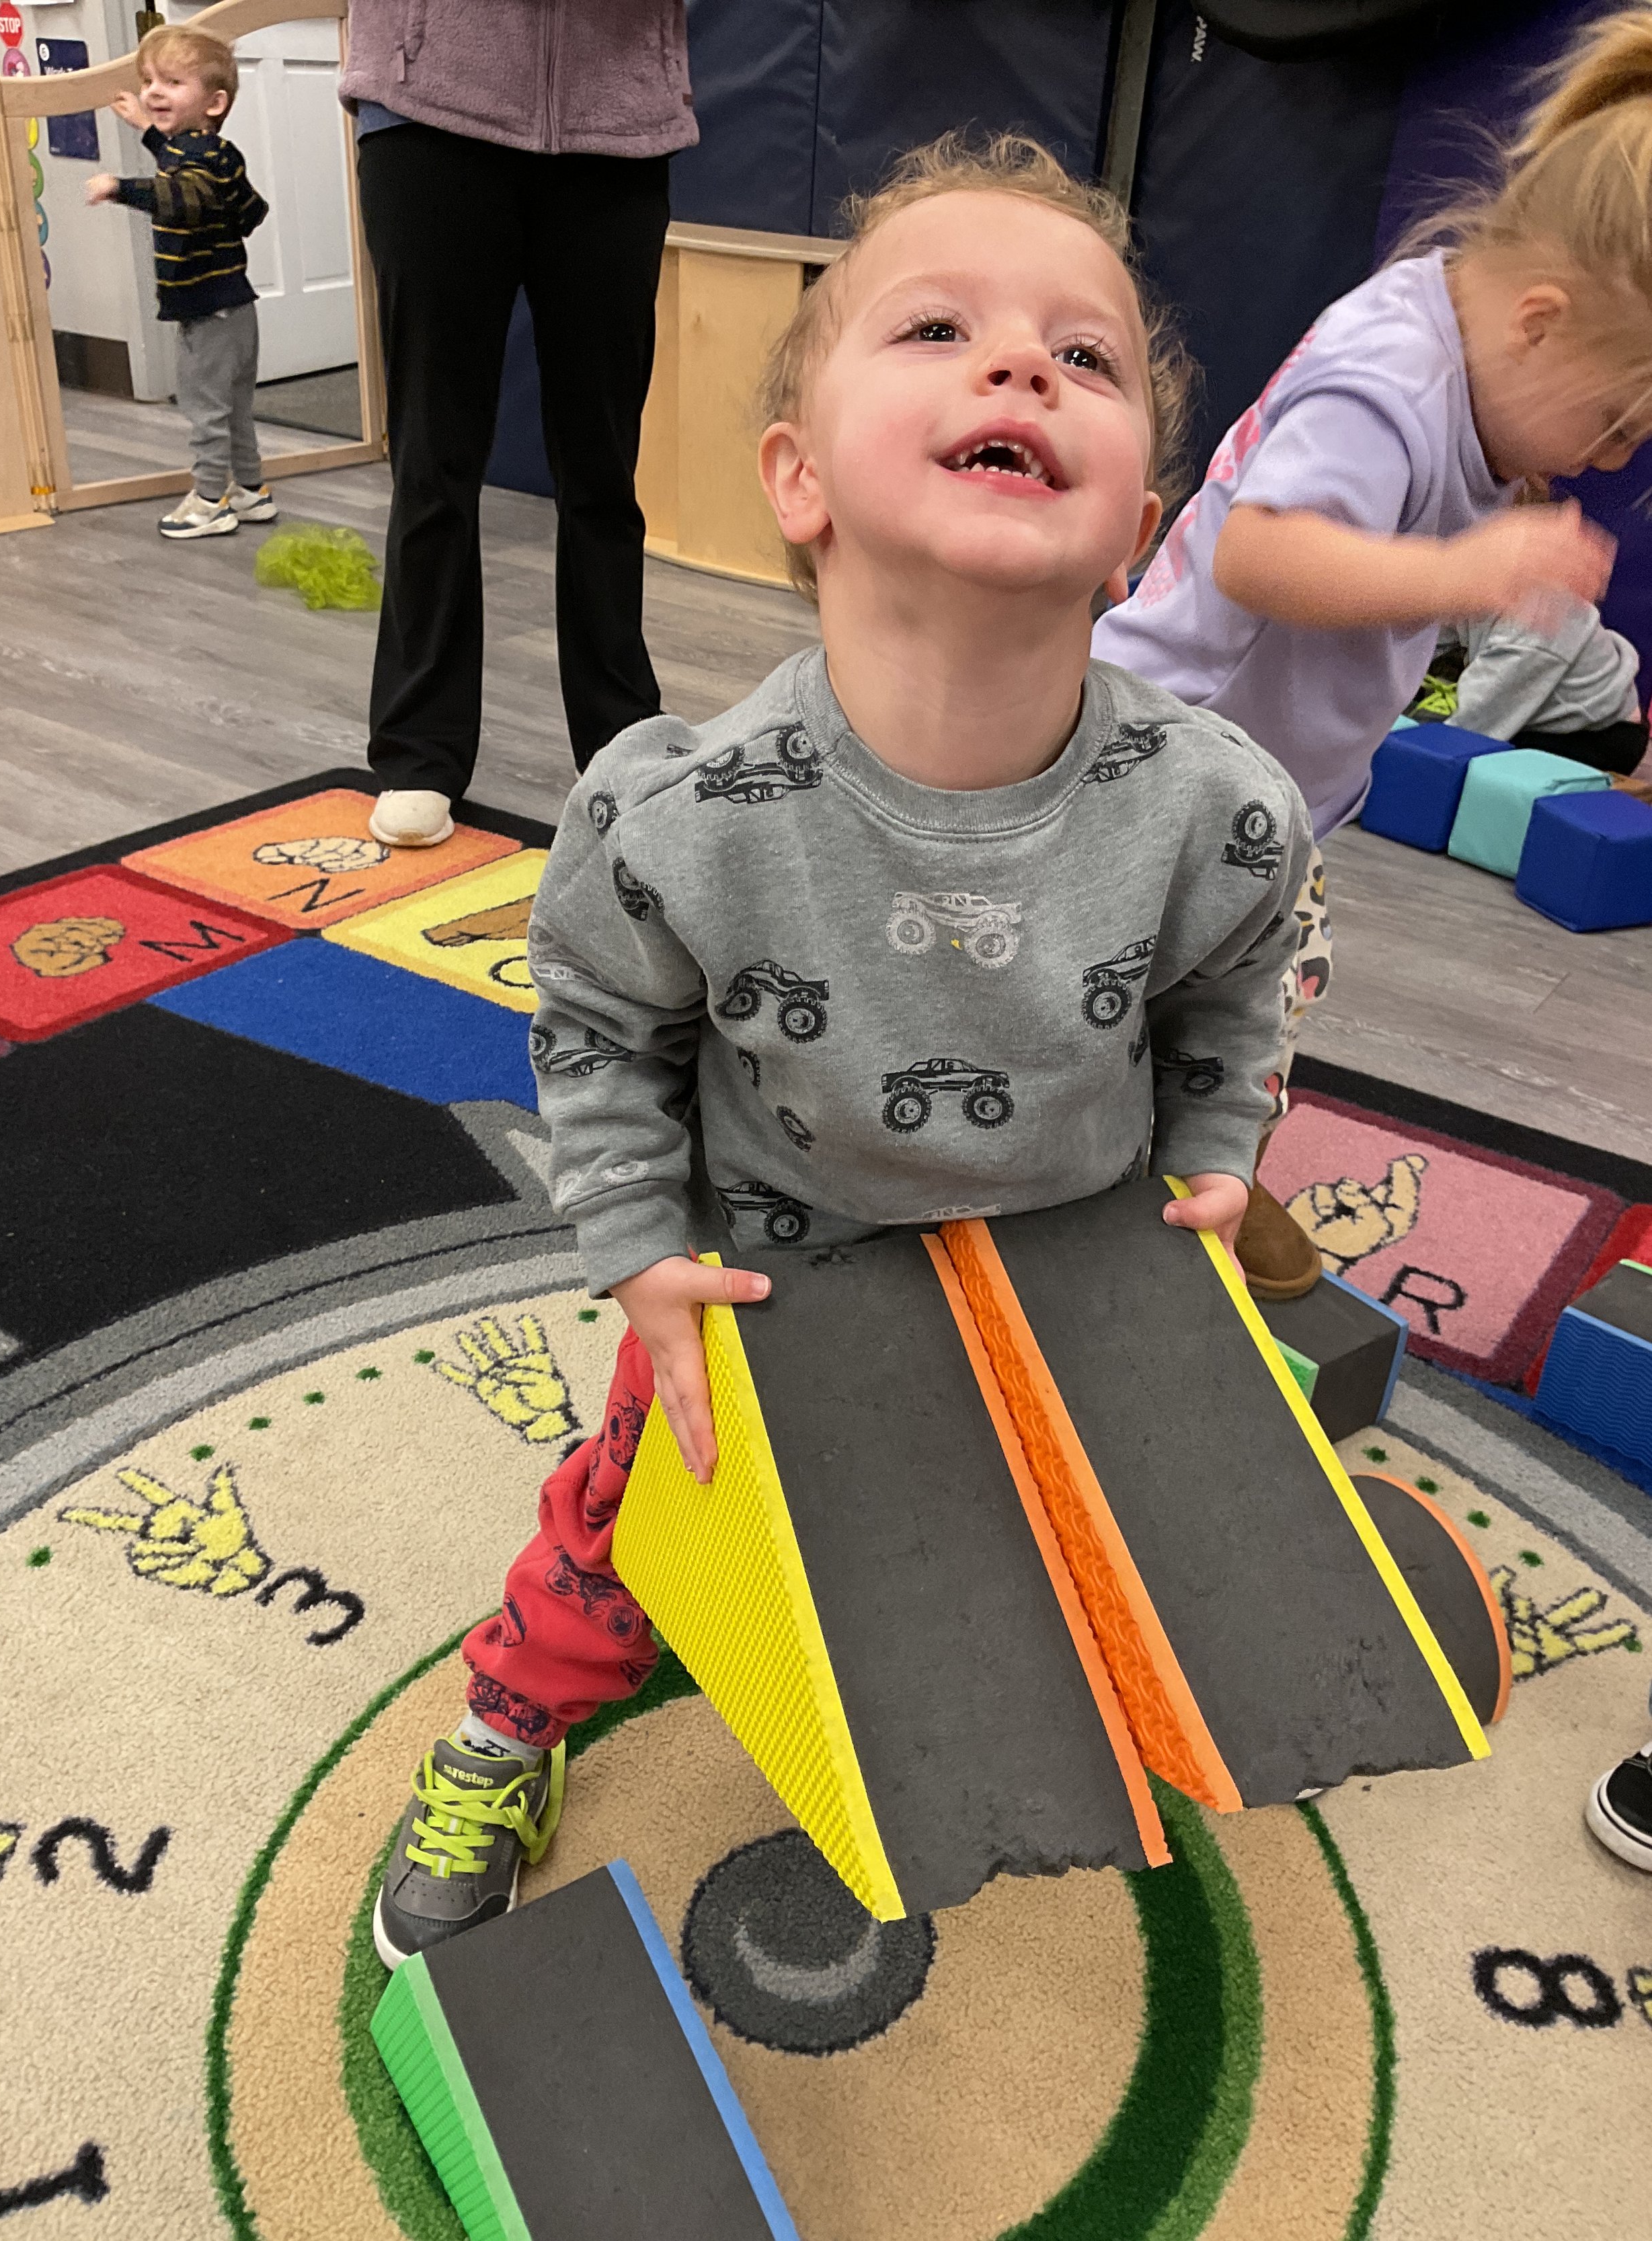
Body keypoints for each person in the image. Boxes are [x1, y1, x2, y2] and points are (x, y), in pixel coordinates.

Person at [369, 132, 1313, 1968]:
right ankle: (507, 1722)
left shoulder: (1220, 807)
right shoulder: (686, 811)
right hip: (771, 1261)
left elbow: (1238, 980)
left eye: (1085, 355)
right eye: (939, 329)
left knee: (1001, 1543)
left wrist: (1216, 1146)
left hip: (1066, 1259)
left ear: (1136, 525)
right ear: (796, 478)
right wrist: (639, 1251)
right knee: (627, 1528)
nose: (1021, 363)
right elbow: (597, 1026)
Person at [1093, 8, 1652, 1298]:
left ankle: (1201, 1156)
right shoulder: (1390, 381)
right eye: (1616, 422)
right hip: (1162, 763)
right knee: (1178, 984)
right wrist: (1467, 573)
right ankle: (1146, 1166)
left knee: (1253, 990)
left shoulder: (1463, 343)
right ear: (1540, 322)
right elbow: (1260, 555)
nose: (1612, 459)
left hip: (1259, 786)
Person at [336, 1, 697, 851]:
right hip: (429, 108)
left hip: (617, 122)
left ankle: (620, 737)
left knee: (603, 468)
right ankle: (418, 750)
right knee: (432, 458)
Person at [86, 28, 277, 542]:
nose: (153, 91)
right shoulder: (218, 153)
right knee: (233, 407)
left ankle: (210, 501)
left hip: (208, 311)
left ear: (215, 103)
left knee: (205, 409)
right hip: (234, 306)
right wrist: (147, 129)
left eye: (172, 82)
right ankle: (251, 490)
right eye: (149, 80)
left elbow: (180, 196)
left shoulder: (199, 165)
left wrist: (119, 187)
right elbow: (202, 176)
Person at [1435, 598, 1647, 775]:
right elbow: (1428, 642)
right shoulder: (1478, 593)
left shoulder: (1534, 627)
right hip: (1548, 708)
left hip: (1596, 736)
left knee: (1474, 771)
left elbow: (1471, 728)